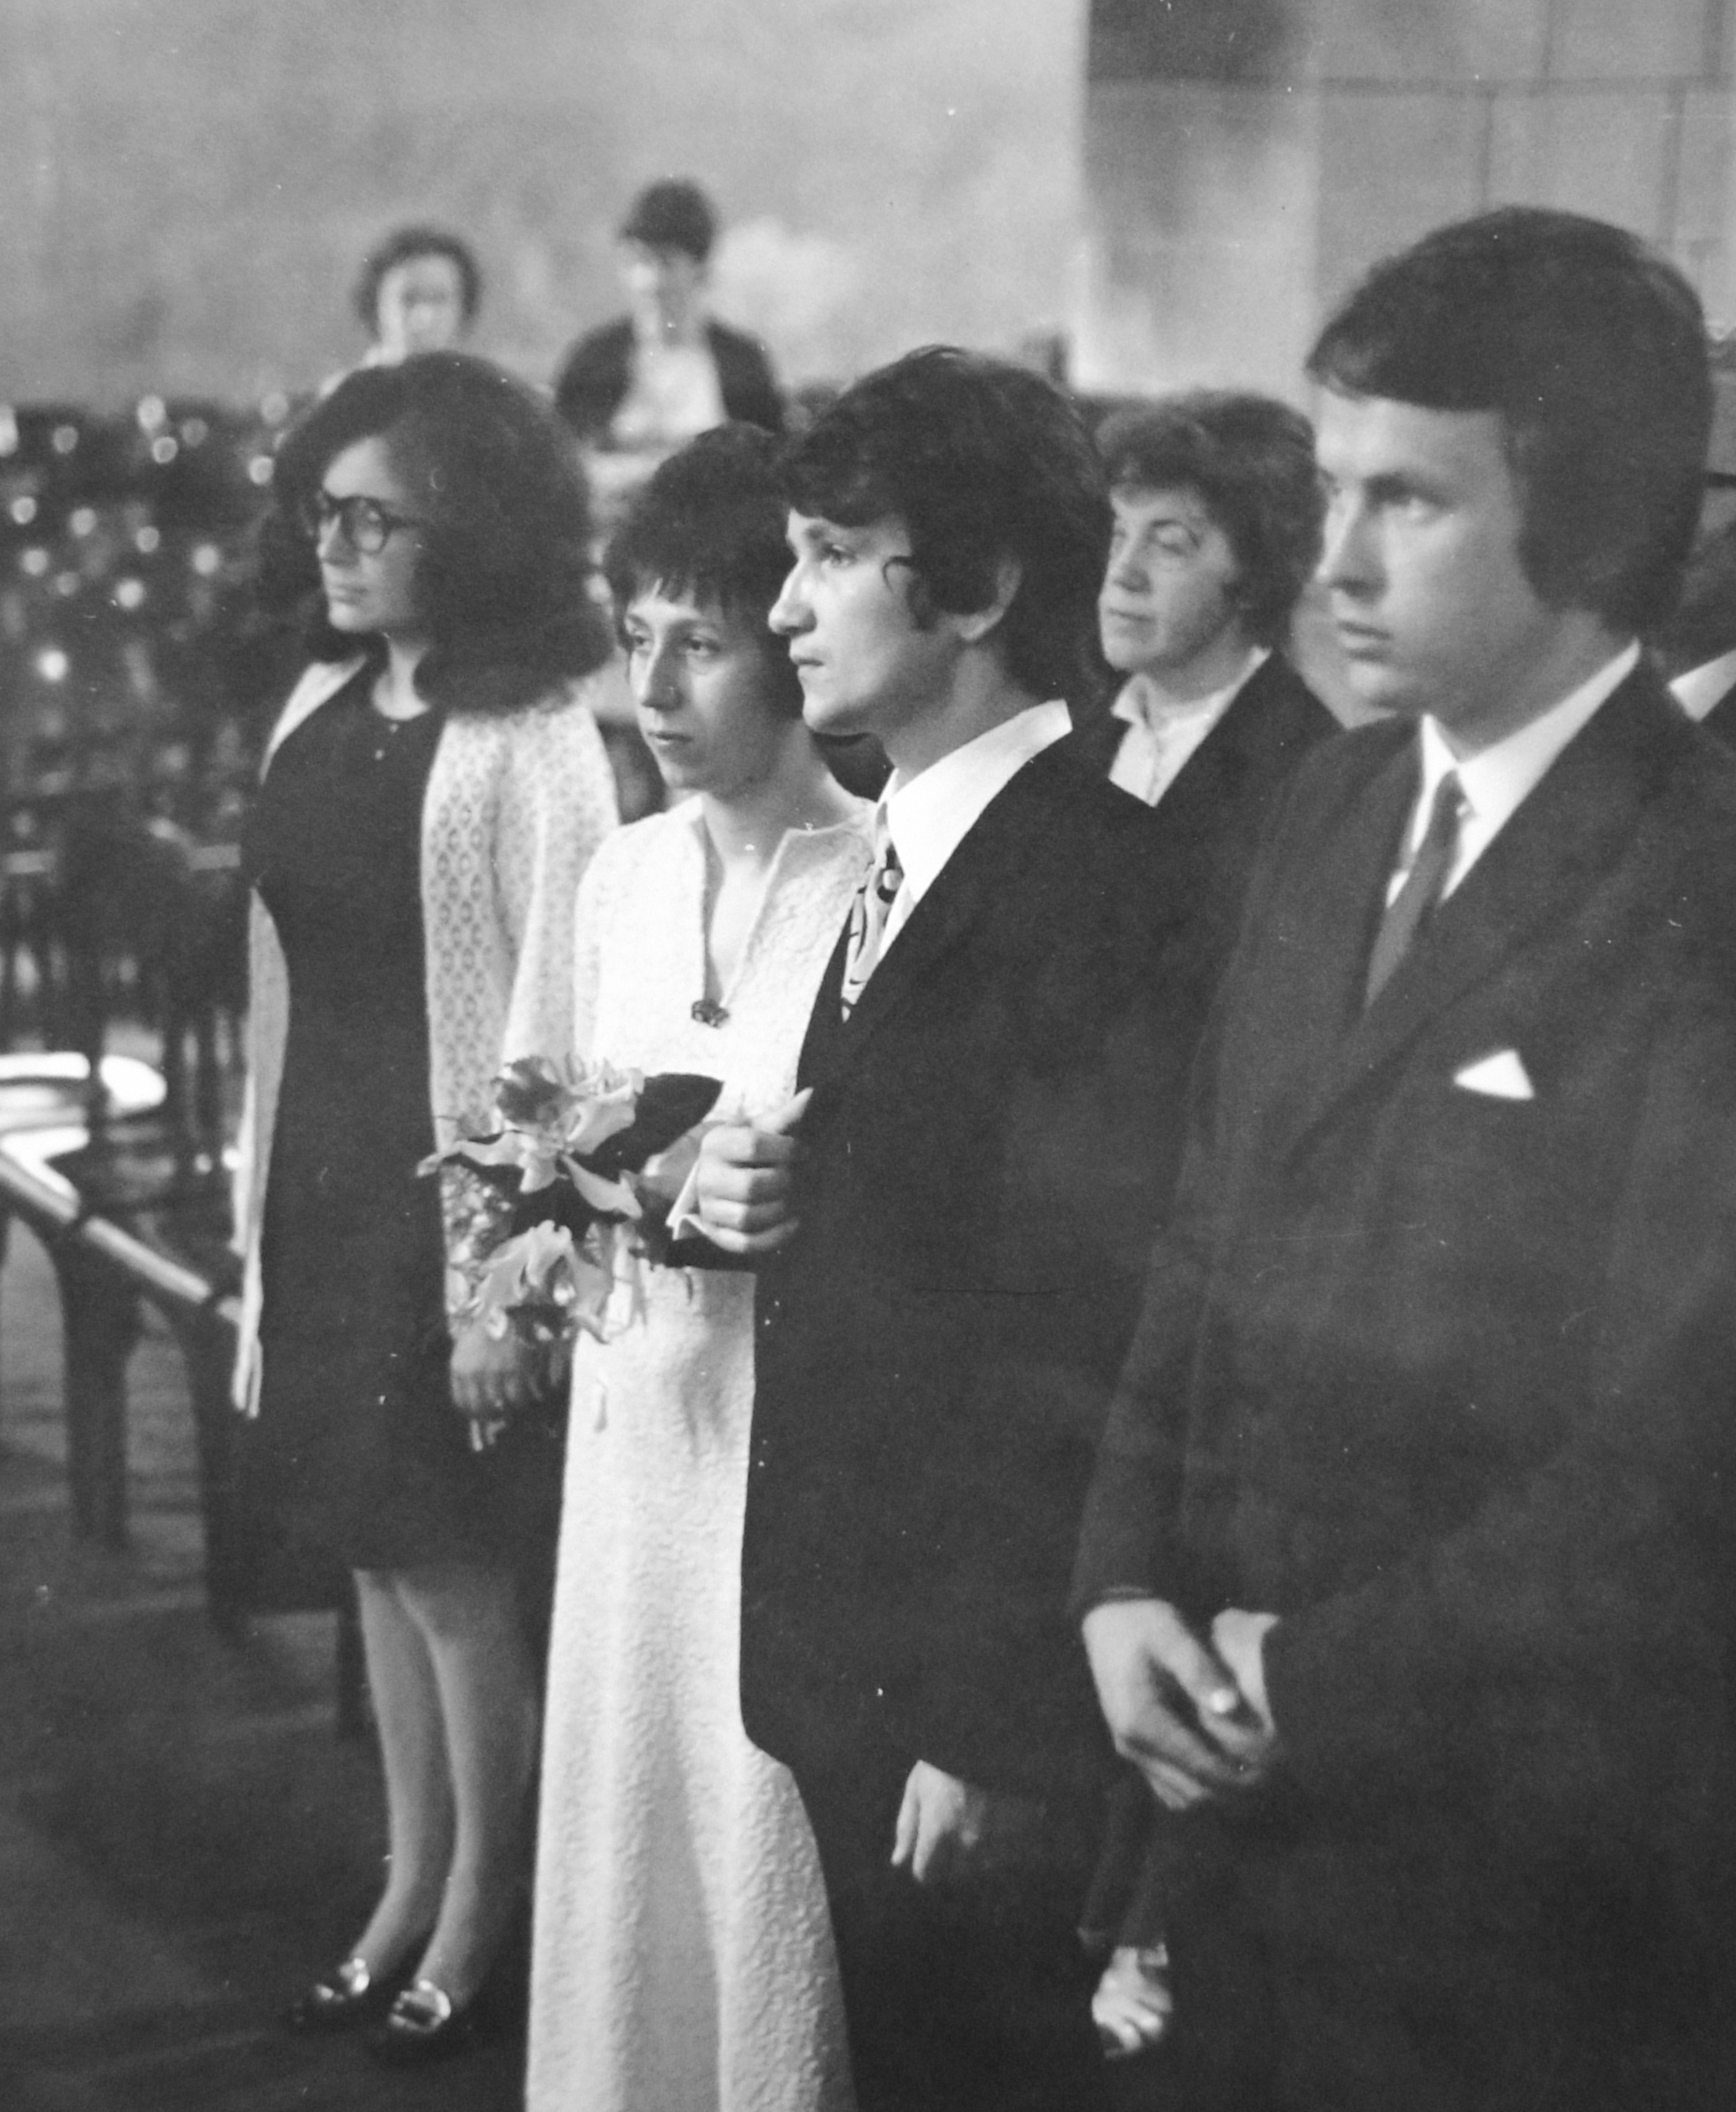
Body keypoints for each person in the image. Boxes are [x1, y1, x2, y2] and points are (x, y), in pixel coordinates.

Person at [1077, 207, 1736, 2111]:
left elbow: (1674, 1451)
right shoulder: (1338, 798)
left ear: (1590, 528)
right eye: (1334, 489)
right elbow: (1202, 1239)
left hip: (1518, 1874)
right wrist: (1118, 1582)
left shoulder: (1700, 878)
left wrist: (1307, 1684)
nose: (1338, 561)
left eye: (1411, 502)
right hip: (1231, 1811)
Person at [686, 346, 1145, 2110]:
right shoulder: (907, 845)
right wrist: (756, 1199)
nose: (784, 609)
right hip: (851, 1641)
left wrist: (988, 1721)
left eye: (828, 555)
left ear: (979, 585)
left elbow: (1082, 1332)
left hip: (963, 1693)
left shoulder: (1101, 882)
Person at [232, 353, 616, 2063]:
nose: (336, 546)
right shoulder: (319, 701)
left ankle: (483, 1906)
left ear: (467, 530)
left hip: (439, 1214)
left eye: (372, 519)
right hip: (320, 1190)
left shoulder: (532, 737)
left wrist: (504, 1280)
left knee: (454, 1574)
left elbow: (561, 1029)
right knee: (375, 1560)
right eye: (325, 513)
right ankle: (407, 1878)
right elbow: (277, 974)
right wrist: (255, 1225)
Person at [525, 424, 866, 2112]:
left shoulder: (878, 877)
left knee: (755, 1830)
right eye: (635, 636)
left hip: (773, 1448)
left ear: (792, 644)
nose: (651, 689)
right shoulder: (623, 874)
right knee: (627, 1835)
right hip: (631, 1433)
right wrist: (573, 1203)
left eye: (702, 642)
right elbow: (540, 1141)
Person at [1073, 386, 1333, 2056]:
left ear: (1253, 575)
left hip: (1182, 1256)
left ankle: (1148, 1931)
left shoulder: (1302, 769)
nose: (1125, 572)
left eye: (1171, 543)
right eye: (1118, 535)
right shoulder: (1088, 738)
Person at [554, 179, 784, 519]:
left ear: (701, 270)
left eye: (666, 262)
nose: (649, 281)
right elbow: (560, 459)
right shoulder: (593, 359)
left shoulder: (742, 362)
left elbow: (770, 469)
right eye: (637, 261)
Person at [355, 224, 482, 365]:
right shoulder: (351, 381)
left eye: (439, 299)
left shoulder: (488, 379)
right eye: (409, 300)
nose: (424, 318)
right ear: (375, 307)